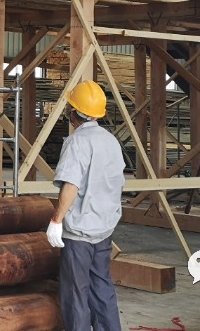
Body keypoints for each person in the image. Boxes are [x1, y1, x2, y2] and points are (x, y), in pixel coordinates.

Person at [46, 80, 125, 331]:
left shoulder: (77, 142)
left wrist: (56, 220)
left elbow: (71, 185)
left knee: (75, 293)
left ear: (74, 112)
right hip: (103, 230)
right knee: (102, 288)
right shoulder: (111, 141)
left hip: (79, 235)